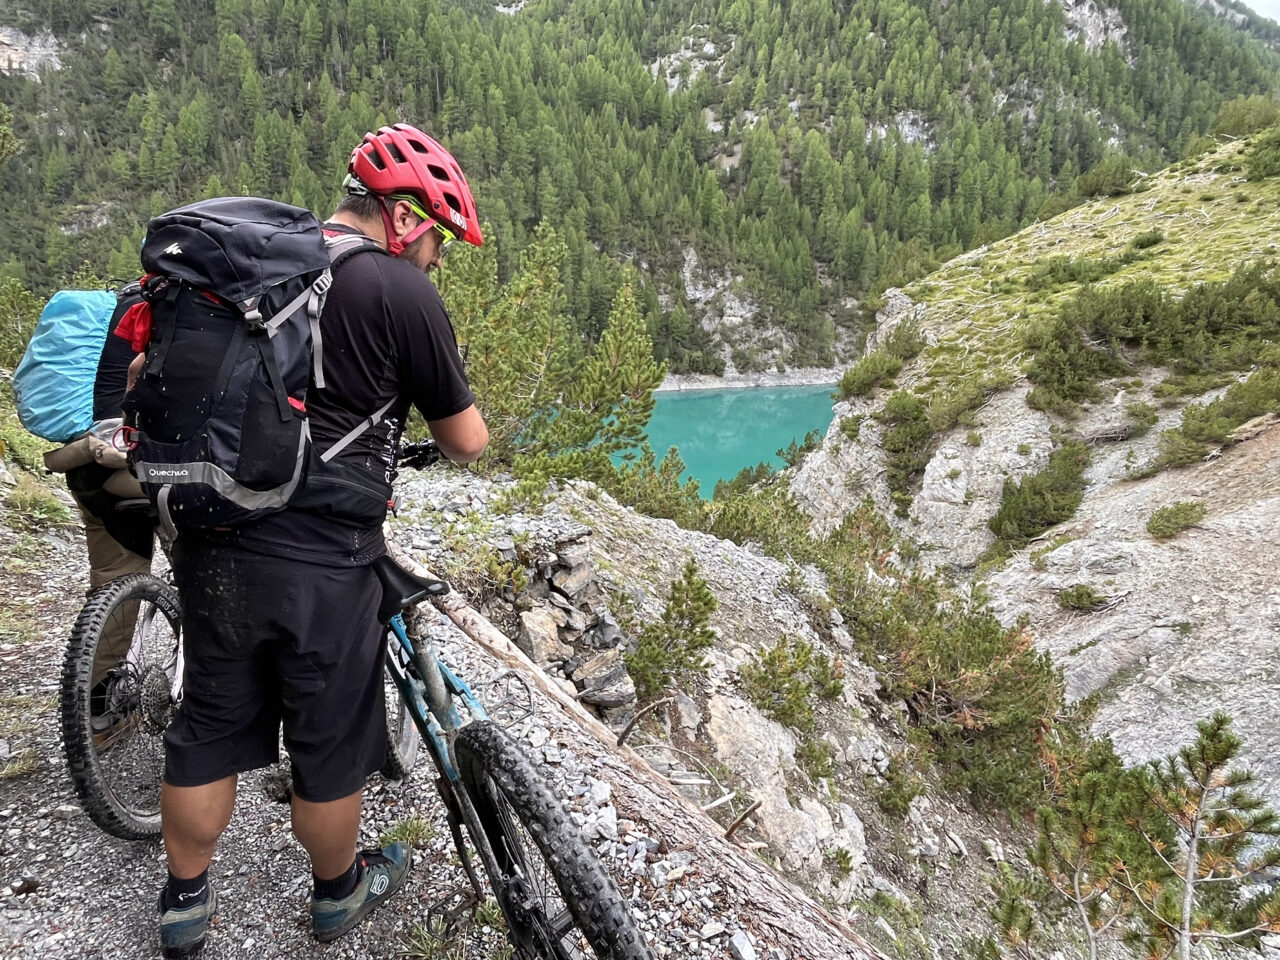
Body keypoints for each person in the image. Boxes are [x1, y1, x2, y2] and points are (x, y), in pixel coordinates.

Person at [156, 123, 489, 959]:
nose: (438, 258)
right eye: (438, 238)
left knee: (207, 718)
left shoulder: (254, 269)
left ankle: (185, 902)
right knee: (327, 743)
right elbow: (468, 441)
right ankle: (340, 892)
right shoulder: (396, 290)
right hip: (323, 561)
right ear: (405, 216)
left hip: (209, 533)